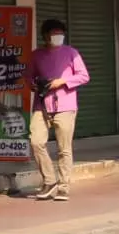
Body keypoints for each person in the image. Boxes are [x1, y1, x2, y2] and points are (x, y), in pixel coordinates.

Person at [27, 18, 89, 201]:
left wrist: (62, 81)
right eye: (54, 33)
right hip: (41, 104)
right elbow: (28, 76)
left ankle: (63, 186)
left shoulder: (71, 53)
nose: (57, 36)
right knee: (36, 141)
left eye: (60, 33)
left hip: (65, 105)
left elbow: (84, 76)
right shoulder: (36, 55)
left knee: (64, 148)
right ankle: (49, 180)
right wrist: (33, 85)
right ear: (45, 36)